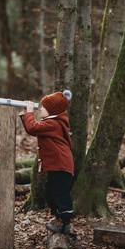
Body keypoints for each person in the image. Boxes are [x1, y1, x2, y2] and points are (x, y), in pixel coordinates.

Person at [19, 90, 74, 234]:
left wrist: (29, 113)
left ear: (52, 111)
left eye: (44, 107)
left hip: (61, 164)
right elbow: (32, 129)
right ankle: (58, 218)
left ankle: (64, 221)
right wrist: (26, 113)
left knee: (60, 193)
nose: (40, 109)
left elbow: (33, 127)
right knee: (49, 192)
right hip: (57, 165)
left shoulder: (53, 124)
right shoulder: (52, 122)